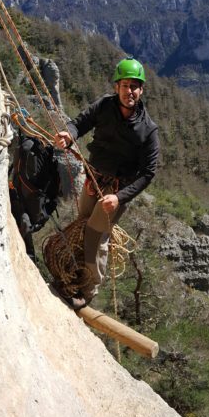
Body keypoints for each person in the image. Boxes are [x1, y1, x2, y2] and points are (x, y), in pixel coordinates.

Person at [54, 57, 159, 309]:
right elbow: (80, 123)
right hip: (93, 179)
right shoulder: (104, 106)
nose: (129, 91)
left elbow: (148, 173)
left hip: (116, 191)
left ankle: (88, 290)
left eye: (135, 86)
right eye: (125, 85)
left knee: (95, 234)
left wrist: (119, 198)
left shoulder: (147, 130)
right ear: (116, 87)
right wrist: (69, 134)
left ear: (141, 90)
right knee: (82, 224)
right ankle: (74, 277)